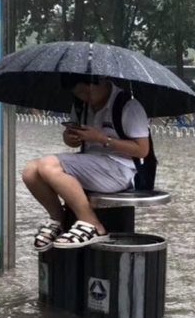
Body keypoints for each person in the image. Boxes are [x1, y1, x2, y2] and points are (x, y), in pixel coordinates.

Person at [22, 76, 150, 251]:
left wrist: (102, 139)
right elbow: (73, 142)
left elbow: (142, 150)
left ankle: (92, 224)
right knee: (31, 171)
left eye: (87, 91)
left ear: (102, 81)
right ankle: (59, 219)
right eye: (78, 93)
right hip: (91, 163)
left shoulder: (129, 106)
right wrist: (70, 138)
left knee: (49, 165)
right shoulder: (81, 105)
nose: (85, 97)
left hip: (121, 170)